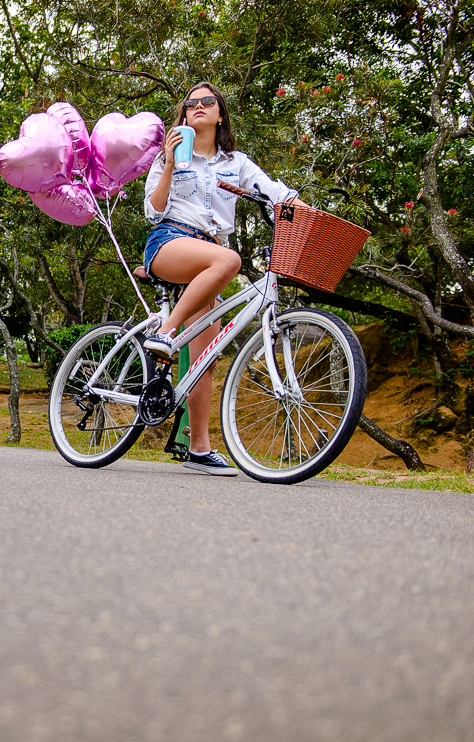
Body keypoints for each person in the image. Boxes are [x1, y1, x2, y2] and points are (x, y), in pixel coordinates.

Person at [139, 81, 306, 477]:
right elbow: (153, 210)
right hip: (170, 241)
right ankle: (166, 330)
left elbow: (277, 193)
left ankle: (199, 448)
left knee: (204, 359)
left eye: (206, 102)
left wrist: (304, 210)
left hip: (209, 258)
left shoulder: (237, 163)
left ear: (219, 113)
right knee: (231, 259)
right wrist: (167, 163)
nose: (198, 106)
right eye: (190, 103)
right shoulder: (169, 158)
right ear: (183, 116)